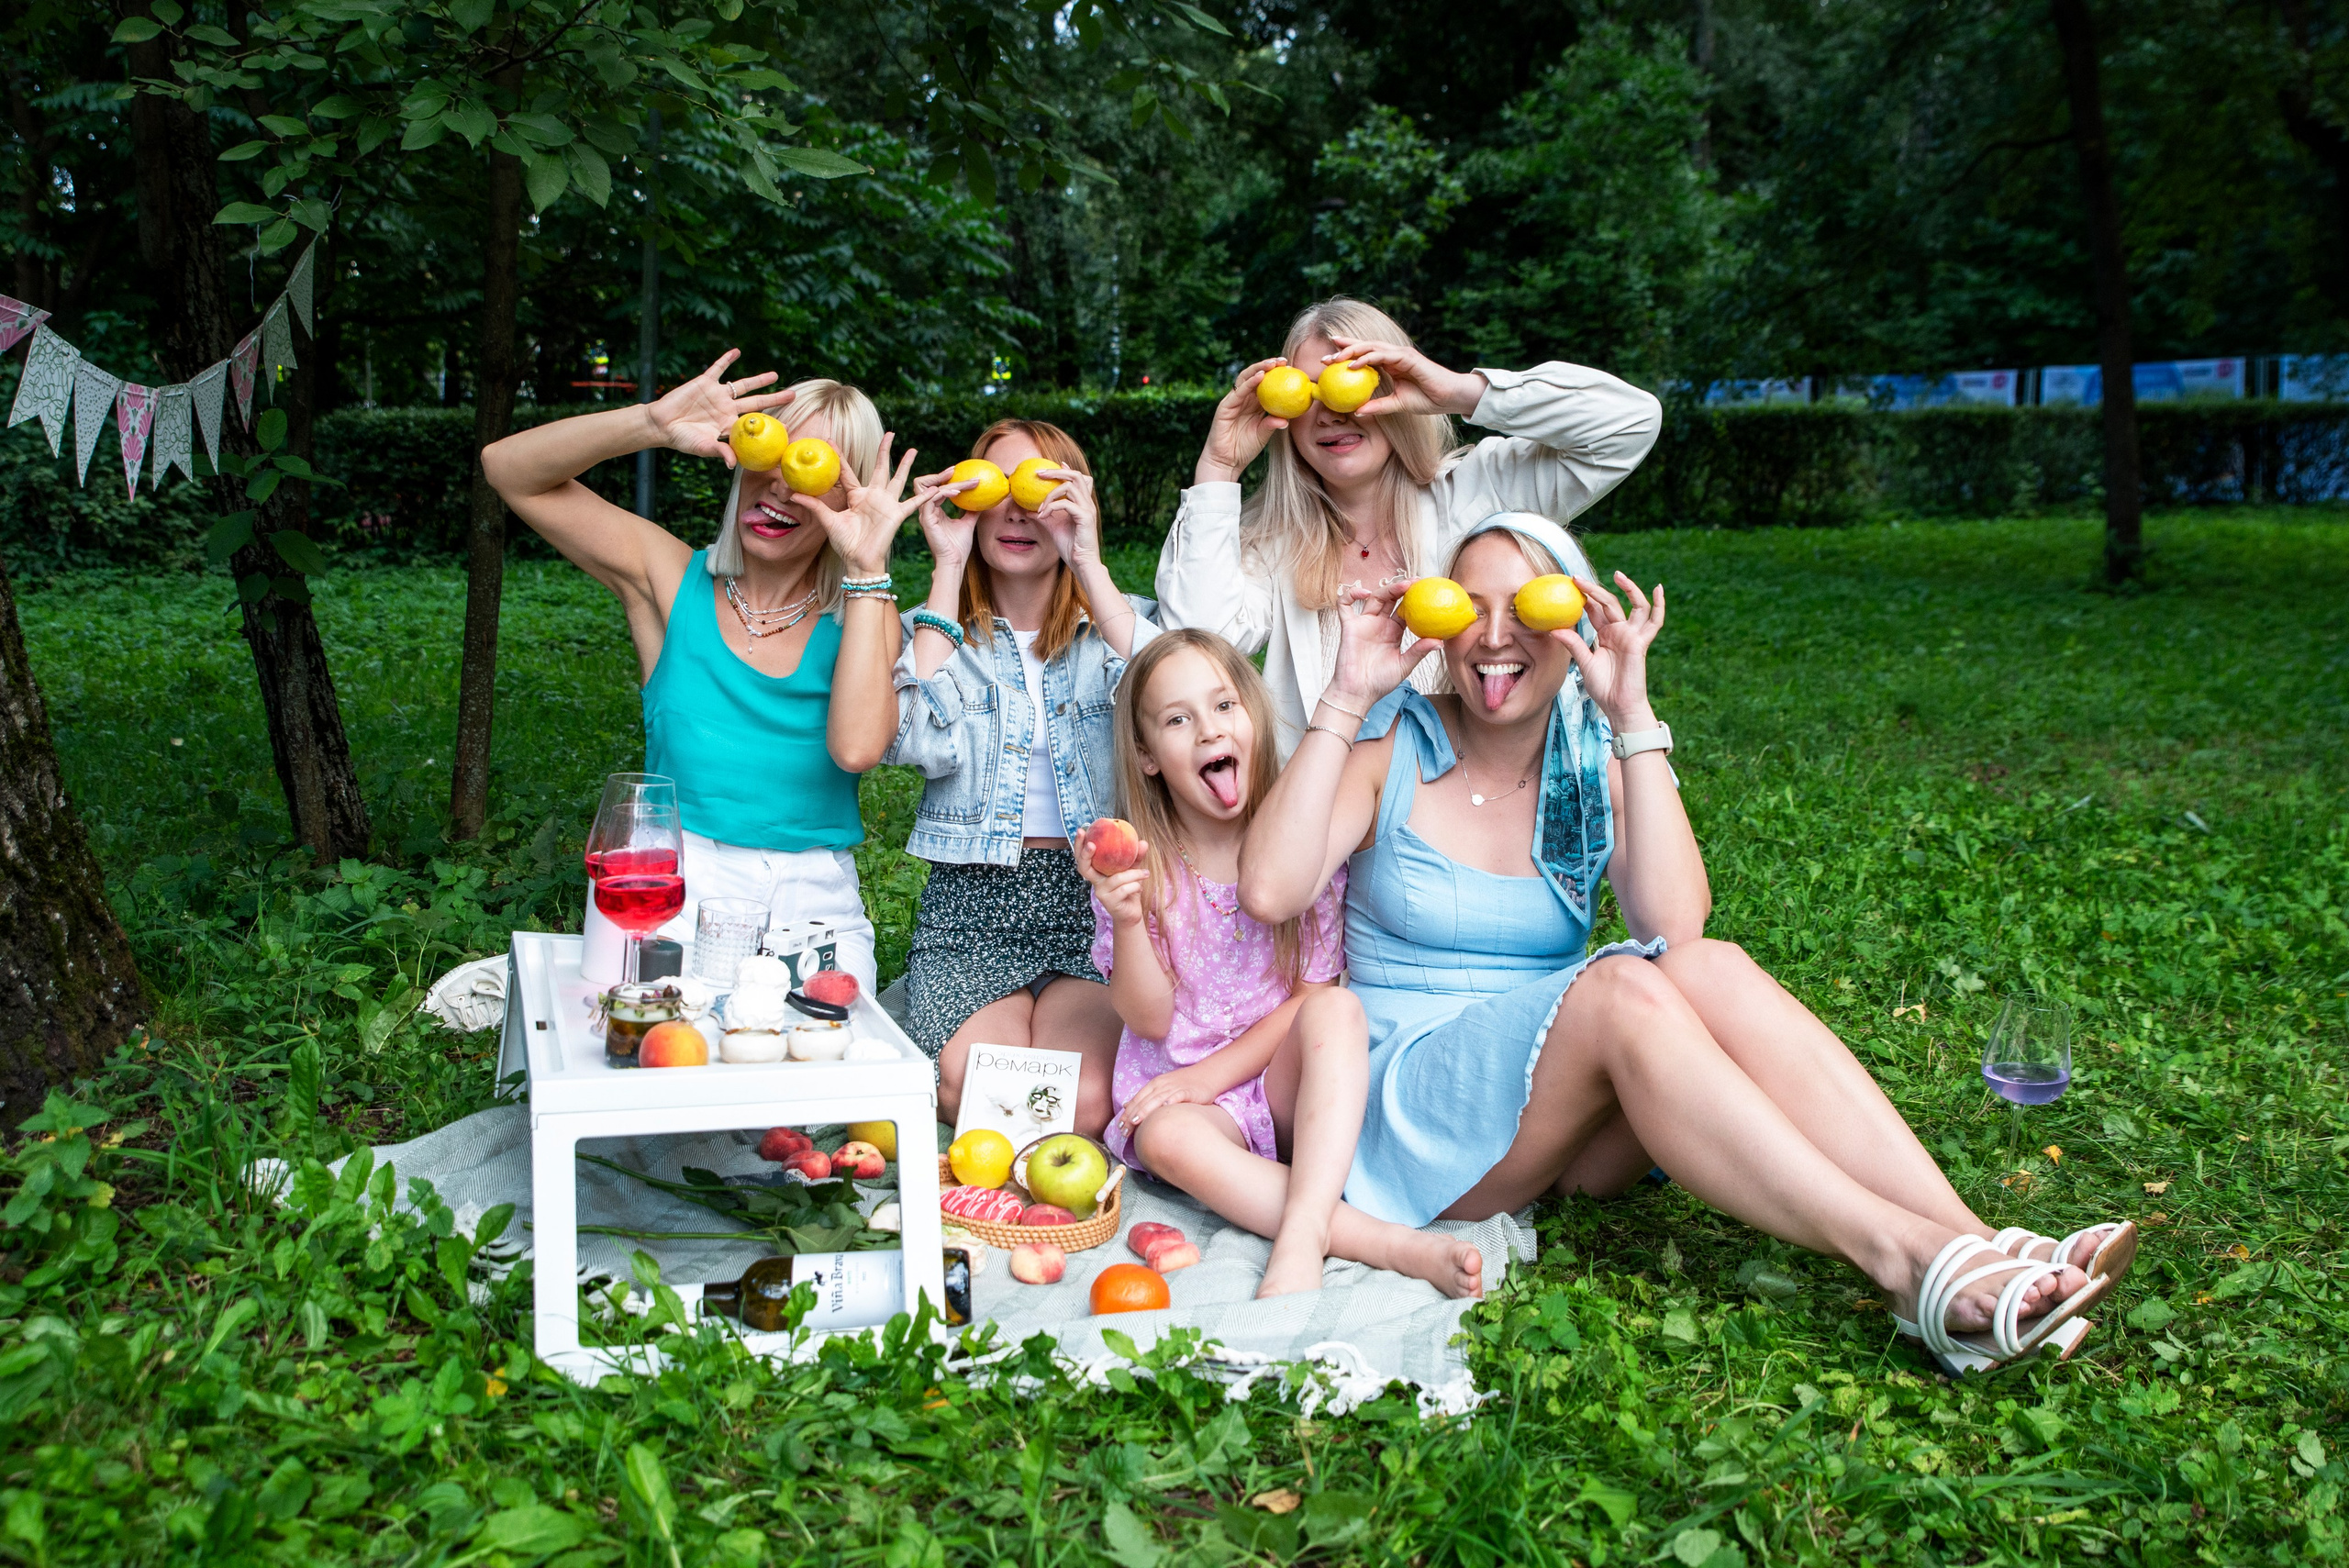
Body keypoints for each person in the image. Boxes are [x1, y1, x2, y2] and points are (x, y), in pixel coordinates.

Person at [1238, 513, 2138, 1373]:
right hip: (1411, 1110)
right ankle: (1906, 1263)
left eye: (1528, 607)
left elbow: (1677, 930)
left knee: (1706, 966)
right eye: (1469, 607)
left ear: (1575, 620)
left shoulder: (1586, 765)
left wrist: (1630, 713)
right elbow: (1269, 888)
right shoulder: (1392, 747)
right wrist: (1349, 693)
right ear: (1439, 622)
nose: (1493, 635)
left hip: (1552, 1117)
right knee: (1623, 990)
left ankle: (1976, 1240)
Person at [483, 350, 926, 991]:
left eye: (809, 471)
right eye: (768, 458)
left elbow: (858, 748)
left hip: (810, 907)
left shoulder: (864, 610)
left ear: (849, 495)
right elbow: (508, 469)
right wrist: (650, 425)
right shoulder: (666, 576)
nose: (778, 485)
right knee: (656, 1067)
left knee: (807, 1077)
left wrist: (865, 569)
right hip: (669, 885)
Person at [1077, 630, 1481, 1298]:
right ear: (1147, 756)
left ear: (1253, 720)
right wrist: (1124, 917)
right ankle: (1382, 1242)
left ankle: (1300, 1239)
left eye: (1224, 706)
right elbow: (1148, 1019)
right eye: (1178, 719)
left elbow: (1312, 995)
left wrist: (1215, 1074)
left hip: (1286, 1085)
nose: (1209, 731)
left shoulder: (1296, 845)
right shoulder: (1140, 868)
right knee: (1166, 1140)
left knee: (1337, 1008)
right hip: (1189, 1100)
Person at [1156, 296, 1663, 756]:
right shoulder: (1272, 540)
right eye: (1309, 392)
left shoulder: (1477, 490)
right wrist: (1218, 468)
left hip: (1463, 807)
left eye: (1353, 386)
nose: (1330, 413)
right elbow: (1195, 643)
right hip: (1325, 825)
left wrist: (1460, 390)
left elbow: (1629, 424)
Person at [885, 420, 1149, 1133]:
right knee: (974, 1089)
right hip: (971, 910)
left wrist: (1089, 562)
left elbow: (1168, 702)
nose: (1019, 510)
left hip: (1090, 905)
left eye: (1043, 491)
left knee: (1081, 1103)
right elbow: (909, 739)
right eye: (996, 488)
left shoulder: (1120, 628)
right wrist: (945, 564)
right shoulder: (935, 631)